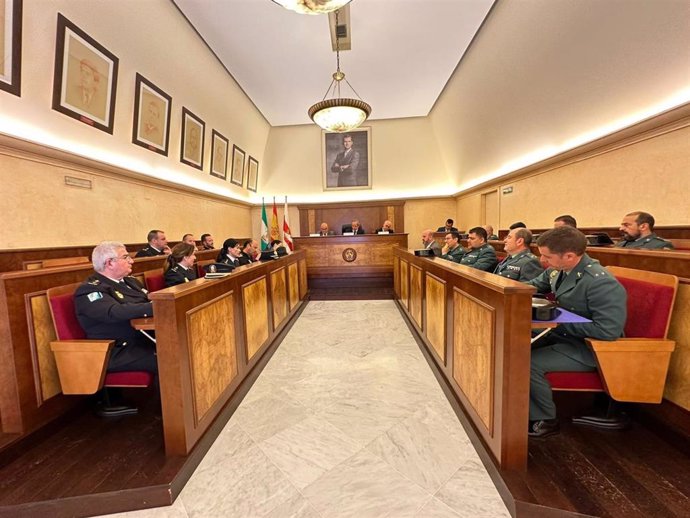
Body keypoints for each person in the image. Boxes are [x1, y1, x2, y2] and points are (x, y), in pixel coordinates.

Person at [526, 227, 627, 438]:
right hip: (564, 336)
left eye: (546, 256)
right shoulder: (559, 270)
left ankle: (545, 419)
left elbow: (608, 330)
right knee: (516, 348)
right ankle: (520, 405)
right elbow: (530, 286)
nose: (541, 259)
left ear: (569, 256)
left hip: (591, 348)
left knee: (530, 362)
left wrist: (558, 323)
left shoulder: (600, 281)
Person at [74, 241, 157, 374]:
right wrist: (154, 307)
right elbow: (113, 312)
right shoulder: (90, 289)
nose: (132, 261)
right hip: (117, 349)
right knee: (168, 357)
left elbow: (145, 300)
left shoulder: (130, 281)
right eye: (125, 257)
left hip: (142, 339)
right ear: (109, 263)